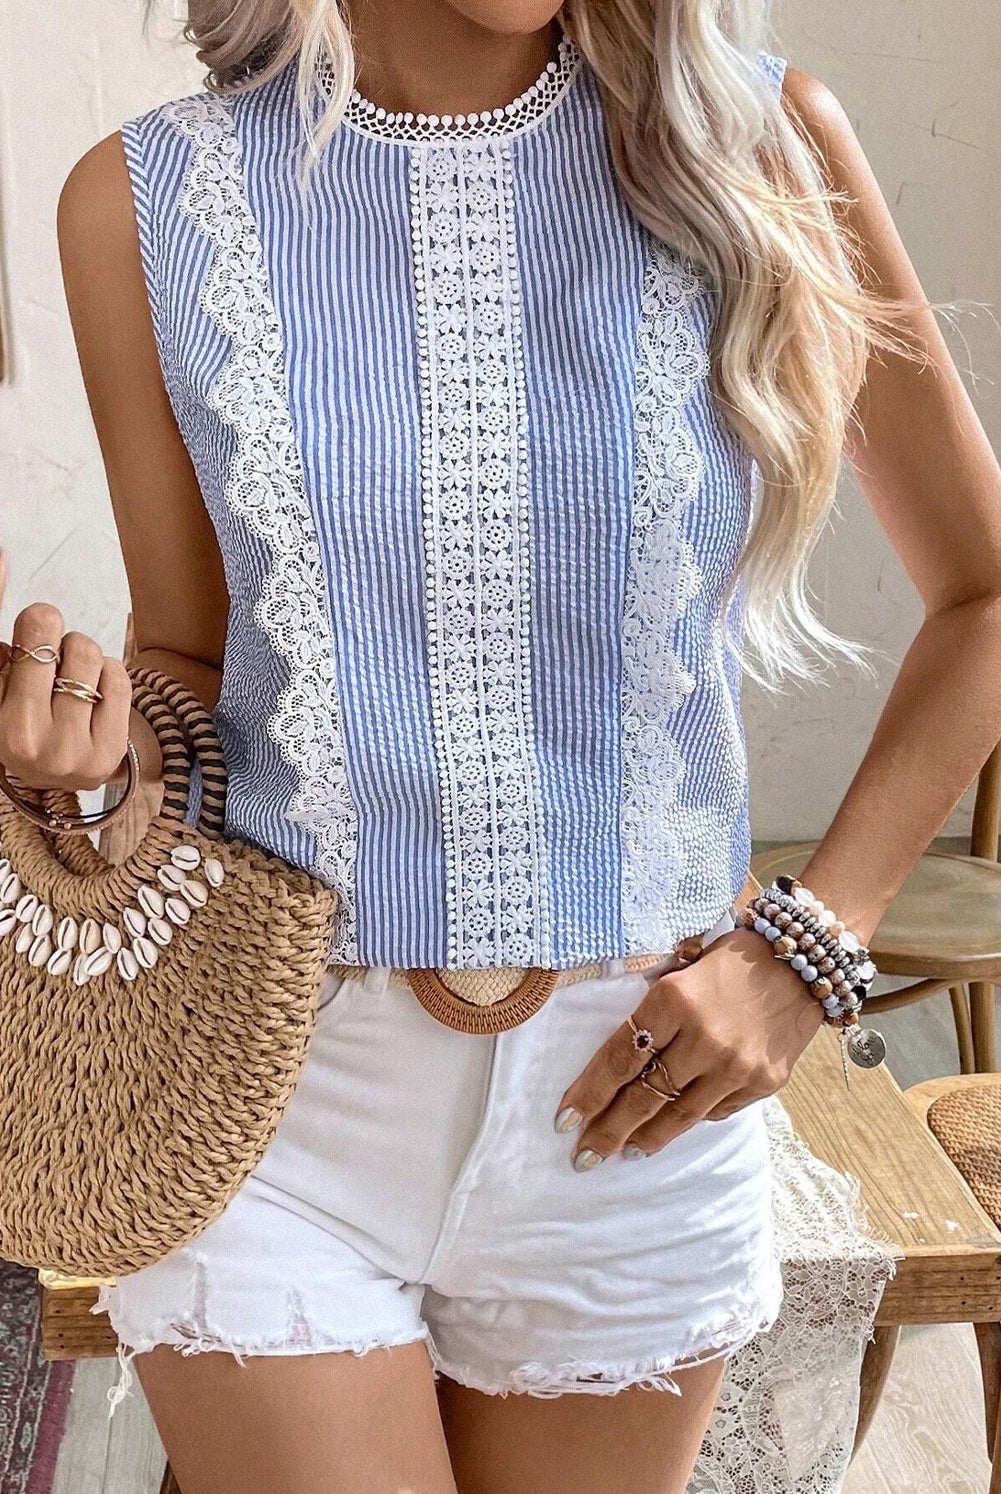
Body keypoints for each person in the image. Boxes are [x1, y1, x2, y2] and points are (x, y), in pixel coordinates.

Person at [2, 1, 1000, 1490]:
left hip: (631, 1100)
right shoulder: (142, 198)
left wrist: (810, 944)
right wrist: (84, 778)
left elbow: (982, 595)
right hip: (273, 1084)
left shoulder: (762, 143)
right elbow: (194, 658)